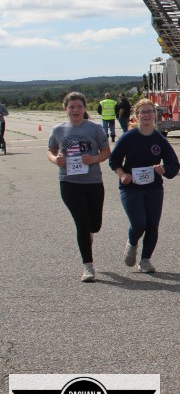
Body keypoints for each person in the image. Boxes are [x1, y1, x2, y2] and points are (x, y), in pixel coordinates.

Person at [109, 98, 180, 273]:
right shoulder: (128, 137)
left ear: (154, 115)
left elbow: (174, 165)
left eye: (150, 111)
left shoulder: (160, 139)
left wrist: (164, 169)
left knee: (152, 225)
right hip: (131, 188)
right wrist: (122, 174)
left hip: (153, 188)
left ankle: (145, 260)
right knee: (139, 223)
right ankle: (132, 243)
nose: (147, 115)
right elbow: (114, 160)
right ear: (136, 115)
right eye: (143, 112)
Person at [47, 92, 112, 282]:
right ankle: (88, 266)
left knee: (95, 225)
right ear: (65, 109)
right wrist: (55, 160)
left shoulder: (95, 128)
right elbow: (50, 150)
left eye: (79, 106)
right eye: (72, 107)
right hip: (69, 183)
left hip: (93, 182)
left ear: (84, 108)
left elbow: (106, 151)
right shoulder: (58, 130)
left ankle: (89, 234)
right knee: (82, 223)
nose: (75, 110)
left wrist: (93, 158)